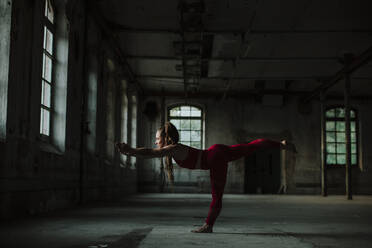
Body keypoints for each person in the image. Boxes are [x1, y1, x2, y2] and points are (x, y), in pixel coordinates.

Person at [115, 122, 296, 233]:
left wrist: (130, 150)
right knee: (249, 147)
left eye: (157, 138)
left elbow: (151, 152)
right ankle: (281, 144)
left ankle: (208, 226)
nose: (156, 141)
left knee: (217, 195)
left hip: (215, 158)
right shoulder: (173, 150)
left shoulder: (173, 148)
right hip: (216, 153)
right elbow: (152, 151)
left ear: (165, 138)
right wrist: (131, 153)